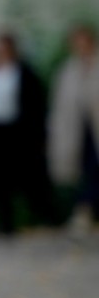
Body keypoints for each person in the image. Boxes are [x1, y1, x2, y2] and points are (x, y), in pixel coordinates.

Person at [0, 31, 56, 236]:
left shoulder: (23, 73)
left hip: (18, 133)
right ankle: (5, 223)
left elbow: (35, 105)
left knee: (29, 178)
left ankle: (48, 217)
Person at [50, 22, 99, 237]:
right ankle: (84, 212)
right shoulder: (68, 70)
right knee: (87, 171)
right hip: (79, 131)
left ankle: (83, 211)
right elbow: (61, 106)